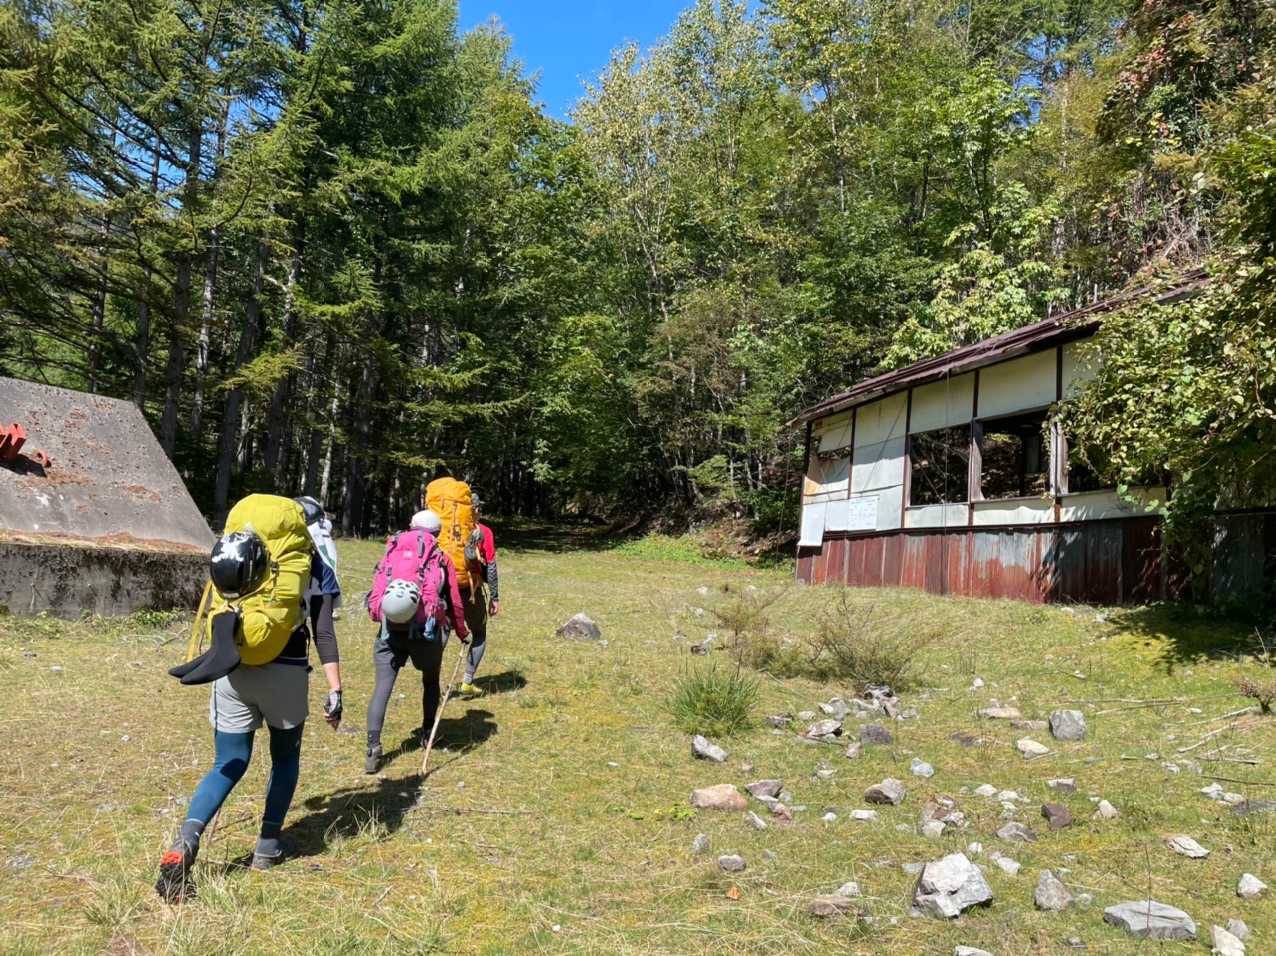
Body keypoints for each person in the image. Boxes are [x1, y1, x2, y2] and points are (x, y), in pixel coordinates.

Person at [155, 494, 343, 904]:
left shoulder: (244, 546)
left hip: (232, 664)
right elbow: (324, 632)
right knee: (285, 759)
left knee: (228, 762)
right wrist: (335, 688)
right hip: (286, 672)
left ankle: (186, 840)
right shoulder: (311, 565)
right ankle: (266, 848)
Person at [363, 509, 468, 774]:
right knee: (430, 681)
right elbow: (455, 601)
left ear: (411, 527)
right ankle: (427, 733)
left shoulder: (392, 550)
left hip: (389, 630)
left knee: (382, 688)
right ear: (437, 533)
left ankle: (373, 749)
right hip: (426, 632)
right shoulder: (441, 558)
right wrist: (462, 631)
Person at [296, 495, 344, 707]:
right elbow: (324, 633)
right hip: (289, 660)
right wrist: (335, 689)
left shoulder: (272, 551)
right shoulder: (324, 561)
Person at [458, 494, 500, 696]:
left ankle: (432, 685)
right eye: (479, 508)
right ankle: (467, 682)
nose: (481, 511)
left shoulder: (448, 531)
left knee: (439, 635)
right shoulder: (484, 532)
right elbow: (490, 566)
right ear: (474, 510)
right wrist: (495, 597)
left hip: (445, 589)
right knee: (480, 634)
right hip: (470, 591)